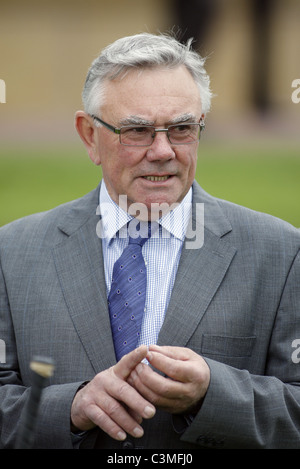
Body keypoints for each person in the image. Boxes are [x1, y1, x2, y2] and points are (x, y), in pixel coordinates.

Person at [0, 32, 299, 450]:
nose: (162, 151)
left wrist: (214, 392)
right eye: (137, 131)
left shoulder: (282, 254)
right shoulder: (11, 254)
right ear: (89, 136)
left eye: (181, 129)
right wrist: (71, 407)